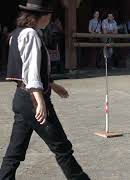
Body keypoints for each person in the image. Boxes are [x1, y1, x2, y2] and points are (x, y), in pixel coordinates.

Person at [0, 1, 90, 179]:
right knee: (62, 147)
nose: (50, 19)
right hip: (31, 100)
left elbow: (26, 69)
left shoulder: (16, 34)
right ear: (41, 17)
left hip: (21, 99)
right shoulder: (31, 35)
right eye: (49, 16)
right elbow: (31, 70)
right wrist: (40, 101)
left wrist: (53, 85)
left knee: (14, 153)